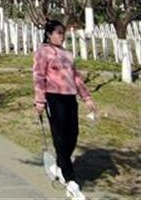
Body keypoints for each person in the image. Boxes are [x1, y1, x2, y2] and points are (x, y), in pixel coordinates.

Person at [33, 20, 97, 200]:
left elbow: (76, 78)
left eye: (63, 33)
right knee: (60, 137)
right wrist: (39, 100)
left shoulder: (68, 54)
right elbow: (38, 76)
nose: (62, 36)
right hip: (53, 97)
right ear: (49, 34)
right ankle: (71, 182)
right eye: (58, 32)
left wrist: (87, 98)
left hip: (70, 98)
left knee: (73, 134)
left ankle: (61, 165)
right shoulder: (43, 52)